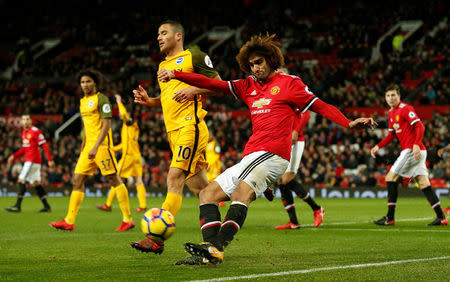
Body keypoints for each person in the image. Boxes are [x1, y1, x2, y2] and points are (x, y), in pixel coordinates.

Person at [158, 33, 376, 265]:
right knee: (207, 195)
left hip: (273, 153)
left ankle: (216, 246)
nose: (255, 68)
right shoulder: (248, 86)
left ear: (271, 60)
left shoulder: (290, 83)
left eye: (259, 62)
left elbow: (320, 105)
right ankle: (209, 254)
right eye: (251, 64)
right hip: (252, 155)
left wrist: (348, 122)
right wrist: (177, 75)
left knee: (240, 192)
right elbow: (214, 84)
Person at [132, 20, 221, 254]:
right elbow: (168, 100)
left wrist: (194, 90)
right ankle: (248, 185)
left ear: (178, 36)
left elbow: (220, 85)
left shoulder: (195, 56)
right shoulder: (162, 66)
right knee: (202, 189)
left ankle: (155, 238)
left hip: (190, 127)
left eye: (164, 33)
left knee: (174, 178)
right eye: (157, 34)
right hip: (173, 132)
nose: (159, 37)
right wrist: (150, 101)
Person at [50, 69, 134, 231]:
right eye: (82, 82)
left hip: (101, 146)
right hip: (88, 148)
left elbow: (106, 126)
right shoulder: (82, 101)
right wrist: (84, 145)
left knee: (113, 179)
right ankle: (69, 220)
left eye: (88, 81)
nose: (85, 85)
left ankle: (127, 219)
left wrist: (95, 146)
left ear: (95, 82)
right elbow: (87, 127)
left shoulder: (102, 99)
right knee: (77, 180)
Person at [370, 84, 447, 226]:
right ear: (385, 98)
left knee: (390, 178)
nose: (391, 98)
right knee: (424, 183)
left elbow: (420, 126)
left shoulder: (405, 109)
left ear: (399, 96)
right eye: (388, 96)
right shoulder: (390, 113)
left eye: (393, 95)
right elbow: (391, 135)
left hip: (412, 150)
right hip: (415, 151)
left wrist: (416, 143)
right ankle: (441, 218)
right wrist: (378, 146)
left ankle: (390, 218)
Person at [271, 110, 325, 229]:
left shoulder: (295, 95)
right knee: (281, 181)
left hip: (295, 141)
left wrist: (296, 130)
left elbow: (306, 114)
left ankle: (317, 209)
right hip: (282, 140)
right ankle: (294, 222)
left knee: (286, 179)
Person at [97, 94, 147, 213]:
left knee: (115, 178)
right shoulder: (133, 126)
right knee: (138, 181)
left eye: (121, 112)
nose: (120, 114)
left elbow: (124, 114)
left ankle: (108, 204)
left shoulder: (128, 123)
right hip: (136, 156)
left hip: (129, 157)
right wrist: (112, 148)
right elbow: (125, 144)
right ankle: (143, 206)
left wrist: (119, 102)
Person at [5, 114, 54, 212]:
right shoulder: (24, 133)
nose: (25, 121)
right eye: (23, 119)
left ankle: (17, 206)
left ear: (31, 121)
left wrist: (49, 159)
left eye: (27, 119)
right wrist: (13, 156)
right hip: (32, 161)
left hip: (32, 161)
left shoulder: (35, 131)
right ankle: (47, 207)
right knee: (36, 183)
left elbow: (44, 144)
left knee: (21, 180)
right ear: (21, 122)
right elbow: (24, 149)